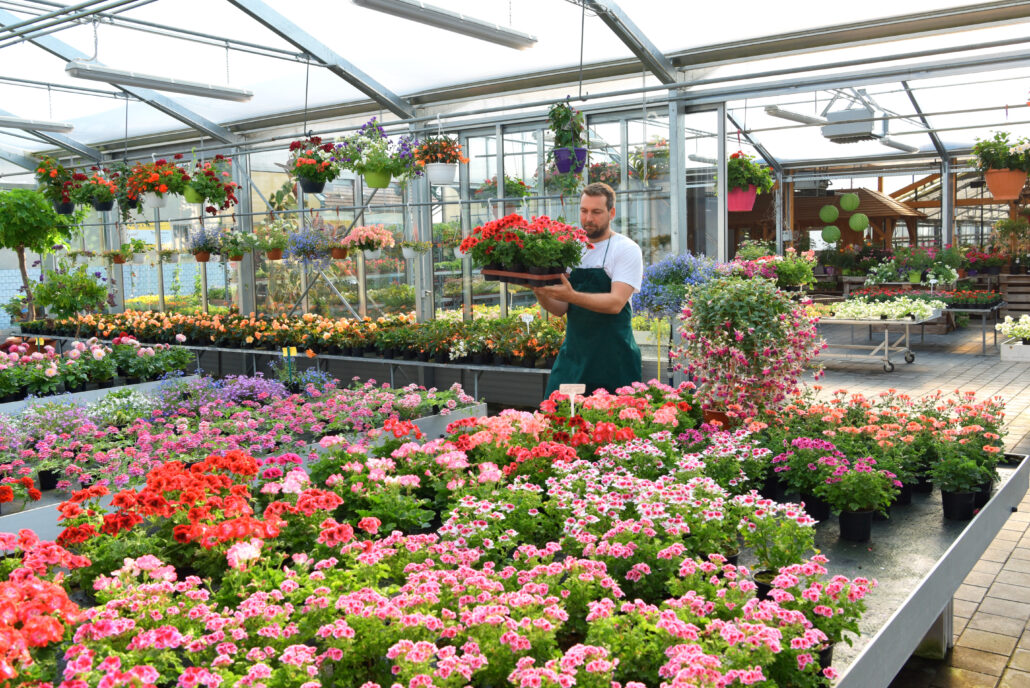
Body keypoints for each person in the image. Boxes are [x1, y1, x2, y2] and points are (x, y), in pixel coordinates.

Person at [533, 182, 643, 397]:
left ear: (611, 213)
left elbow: (615, 303)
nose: (588, 218)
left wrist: (572, 295)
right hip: (574, 356)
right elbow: (560, 309)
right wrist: (538, 289)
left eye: (596, 212)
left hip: (614, 359)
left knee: (612, 417)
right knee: (557, 412)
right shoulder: (571, 248)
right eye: (584, 211)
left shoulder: (626, 249)